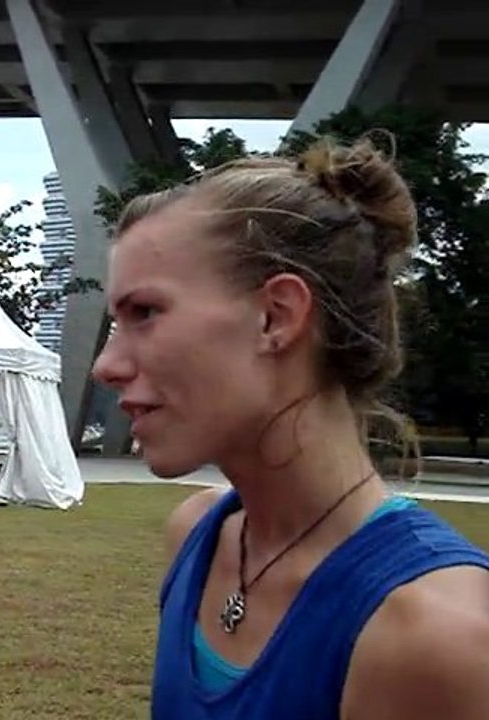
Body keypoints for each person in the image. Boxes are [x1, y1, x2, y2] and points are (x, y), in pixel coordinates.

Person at [92, 138, 489, 720]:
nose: (106, 365)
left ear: (275, 317)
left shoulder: (433, 633)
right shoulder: (198, 536)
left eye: (145, 313)